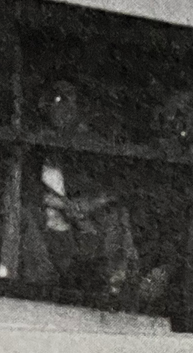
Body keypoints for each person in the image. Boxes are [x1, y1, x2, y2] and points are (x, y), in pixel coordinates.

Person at [19, 80, 138, 297]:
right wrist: (63, 204)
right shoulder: (33, 144)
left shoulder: (91, 146)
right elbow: (26, 188)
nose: (64, 108)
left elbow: (116, 189)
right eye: (57, 100)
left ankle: (115, 288)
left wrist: (90, 205)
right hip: (47, 233)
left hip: (83, 234)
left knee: (116, 218)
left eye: (70, 101)